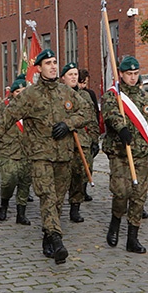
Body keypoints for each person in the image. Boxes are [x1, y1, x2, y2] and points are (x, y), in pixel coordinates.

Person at [0, 49, 94, 264]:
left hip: (64, 155)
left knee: (58, 200)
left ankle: (48, 236)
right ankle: (57, 239)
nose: (53, 66)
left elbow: (87, 113)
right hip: (40, 156)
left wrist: (68, 124)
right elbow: (6, 118)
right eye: (48, 63)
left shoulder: (67, 92)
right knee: (47, 196)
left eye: (55, 63)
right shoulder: (29, 95)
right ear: (39, 67)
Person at [102, 56, 148, 254]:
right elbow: (110, 114)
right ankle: (115, 221)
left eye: (135, 74)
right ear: (121, 74)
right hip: (120, 153)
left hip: (141, 155)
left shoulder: (146, 99)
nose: (132, 77)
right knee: (121, 193)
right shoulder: (113, 96)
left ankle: (132, 237)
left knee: (139, 197)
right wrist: (121, 129)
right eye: (128, 74)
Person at [0, 78, 32, 224]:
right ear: (12, 93)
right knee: (9, 180)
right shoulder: (3, 107)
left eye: (24, 91)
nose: (21, 94)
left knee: (25, 182)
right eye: (18, 91)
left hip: (28, 150)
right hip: (8, 150)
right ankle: (4, 204)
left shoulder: (33, 106)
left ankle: (21, 213)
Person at [60, 63, 97, 223]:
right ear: (63, 78)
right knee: (62, 177)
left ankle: (75, 207)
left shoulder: (85, 95)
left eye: (75, 74)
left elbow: (92, 117)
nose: (74, 77)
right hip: (63, 141)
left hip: (82, 141)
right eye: (70, 74)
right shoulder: (59, 95)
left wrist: (94, 139)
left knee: (80, 174)